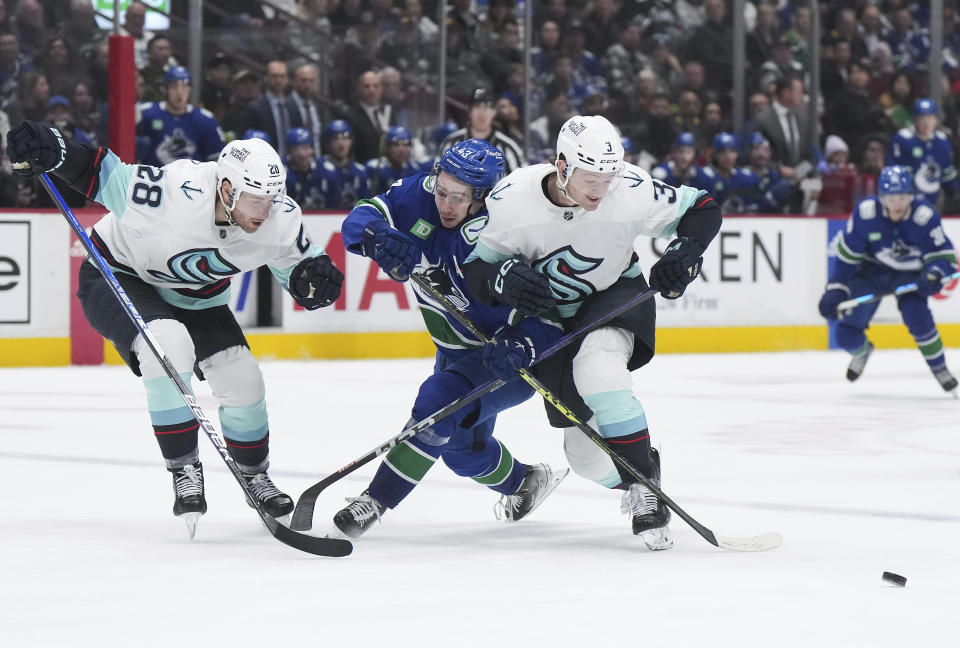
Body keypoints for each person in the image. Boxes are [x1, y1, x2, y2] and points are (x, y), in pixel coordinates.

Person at [7, 121, 345, 535]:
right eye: (257, 200)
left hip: (195, 295)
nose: (268, 210)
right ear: (227, 190)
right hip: (117, 274)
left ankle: (255, 476)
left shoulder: (279, 217)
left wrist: (311, 281)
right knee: (167, 345)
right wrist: (53, 148)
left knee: (243, 379)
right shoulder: (175, 193)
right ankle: (184, 467)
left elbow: (297, 264)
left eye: (273, 198)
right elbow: (102, 173)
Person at [461, 115, 722, 550]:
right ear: (561, 166)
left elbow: (701, 209)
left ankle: (645, 491)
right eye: (590, 177)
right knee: (583, 458)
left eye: (608, 176)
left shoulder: (630, 188)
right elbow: (475, 269)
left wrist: (685, 251)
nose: (601, 189)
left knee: (599, 371)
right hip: (548, 321)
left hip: (613, 294)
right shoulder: (511, 199)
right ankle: (642, 469)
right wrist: (501, 277)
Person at [332, 139, 567, 539]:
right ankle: (524, 481)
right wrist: (375, 235)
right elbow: (360, 217)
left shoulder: (502, 229)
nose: (445, 204)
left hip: (505, 357)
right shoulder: (421, 194)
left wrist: (525, 344)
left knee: (435, 408)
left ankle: (374, 500)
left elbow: (552, 314)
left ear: (483, 198)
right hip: (453, 351)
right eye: (442, 190)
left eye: (459, 197)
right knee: (460, 449)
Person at [818, 165, 958, 394]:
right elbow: (846, 259)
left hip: (912, 275)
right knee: (846, 334)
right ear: (881, 197)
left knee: (919, 319)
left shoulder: (924, 217)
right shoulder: (865, 215)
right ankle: (862, 351)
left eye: (903, 197)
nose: (898, 205)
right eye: (891, 198)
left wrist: (933, 274)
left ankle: (940, 368)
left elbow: (944, 256)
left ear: (911, 195)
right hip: (873, 273)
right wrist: (836, 289)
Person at [136, 66, 225, 167]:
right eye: (174, 87)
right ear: (165, 89)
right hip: (154, 180)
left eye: (184, 86)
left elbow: (216, 159)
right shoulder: (146, 113)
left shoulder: (205, 120)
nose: (179, 92)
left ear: (189, 89)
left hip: (192, 181)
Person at [886, 98, 960, 206]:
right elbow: (892, 171)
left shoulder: (942, 142)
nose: (926, 123)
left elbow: (947, 174)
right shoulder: (901, 140)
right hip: (905, 203)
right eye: (922, 118)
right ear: (915, 120)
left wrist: (955, 192)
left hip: (934, 201)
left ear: (935, 120)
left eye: (930, 118)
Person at [438, 88, 525, 174]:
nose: (482, 113)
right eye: (477, 107)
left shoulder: (509, 148)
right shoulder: (451, 144)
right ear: (469, 111)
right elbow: (437, 177)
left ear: (494, 112)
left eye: (487, 107)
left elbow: (521, 181)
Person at [364, 125, 425, 195]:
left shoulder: (415, 171)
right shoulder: (374, 168)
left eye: (405, 144)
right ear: (387, 147)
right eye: (396, 145)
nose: (401, 150)